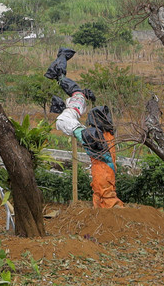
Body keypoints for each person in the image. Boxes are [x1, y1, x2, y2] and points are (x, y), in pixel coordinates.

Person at [45, 48, 120, 205]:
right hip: (73, 123)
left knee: (76, 94)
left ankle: (59, 71)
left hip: (70, 123)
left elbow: (75, 92)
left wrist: (61, 77)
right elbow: (75, 92)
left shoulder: (71, 111)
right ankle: (59, 71)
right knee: (76, 93)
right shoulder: (74, 109)